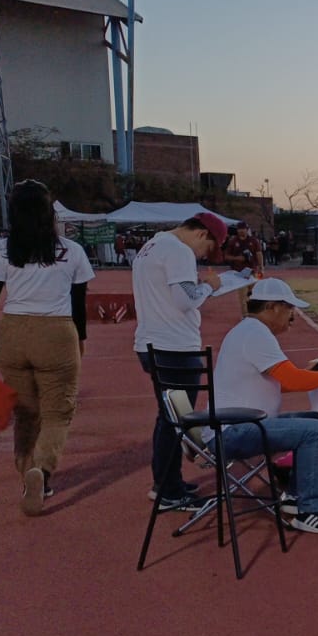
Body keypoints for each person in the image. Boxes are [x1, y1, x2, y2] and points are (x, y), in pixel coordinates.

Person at [0, 180, 96, 515]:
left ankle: (28, 472)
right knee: (58, 411)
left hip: (13, 333)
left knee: (25, 412)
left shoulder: (1, 250)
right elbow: (79, 302)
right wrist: (79, 339)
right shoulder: (72, 250)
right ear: (49, 211)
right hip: (56, 332)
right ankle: (43, 468)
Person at [213, 278, 318, 533]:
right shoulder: (256, 334)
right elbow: (292, 380)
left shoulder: (250, 330)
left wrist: (311, 375)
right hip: (236, 430)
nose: (292, 316)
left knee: (314, 421)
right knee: (312, 431)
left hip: (238, 425)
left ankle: (298, 497)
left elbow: (282, 383)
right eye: (289, 309)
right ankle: (310, 510)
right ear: (273, 307)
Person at [132, 211, 228, 510]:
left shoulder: (152, 246)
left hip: (152, 342)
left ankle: (166, 482)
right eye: (208, 249)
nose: (203, 256)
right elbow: (185, 300)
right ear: (202, 234)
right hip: (175, 347)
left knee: (169, 417)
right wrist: (210, 287)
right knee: (178, 419)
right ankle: (167, 490)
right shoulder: (179, 251)